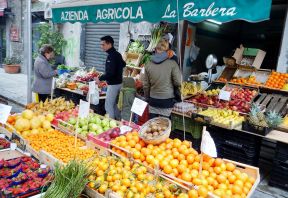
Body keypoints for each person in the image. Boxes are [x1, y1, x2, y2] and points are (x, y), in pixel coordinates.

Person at [143, 39, 181, 119]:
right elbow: (178, 82)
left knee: (151, 128)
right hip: (167, 101)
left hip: (153, 100)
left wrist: (147, 97)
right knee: (164, 127)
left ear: (156, 49)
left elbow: (146, 85)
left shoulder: (148, 64)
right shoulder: (172, 64)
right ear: (168, 51)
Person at [98, 36, 126, 119]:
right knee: (114, 105)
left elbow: (110, 73)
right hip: (119, 83)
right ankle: (119, 121)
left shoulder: (112, 56)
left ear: (109, 44)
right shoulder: (117, 54)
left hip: (114, 85)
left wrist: (100, 78)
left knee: (108, 106)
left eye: (103, 45)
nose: (101, 47)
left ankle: (110, 124)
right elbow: (123, 64)